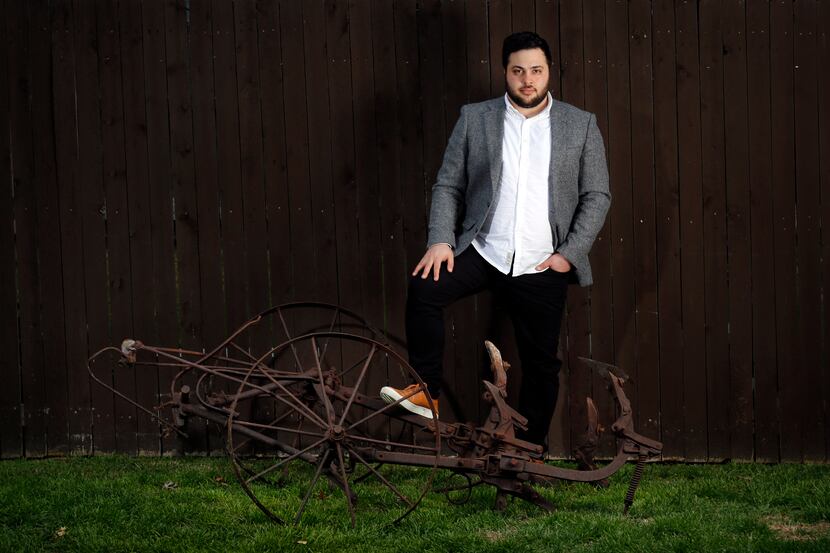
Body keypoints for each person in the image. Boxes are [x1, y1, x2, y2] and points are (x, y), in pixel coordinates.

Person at [380, 31, 611, 448]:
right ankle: (425, 392)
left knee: (541, 365)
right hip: (483, 250)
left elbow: (597, 194)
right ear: (505, 72)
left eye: (536, 71)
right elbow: (449, 184)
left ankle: (531, 454)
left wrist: (568, 255)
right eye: (518, 70)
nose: (527, 80)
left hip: (542, 261)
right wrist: (441, 240)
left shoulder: (581, 124)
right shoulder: (475, 118)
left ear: (548, 72)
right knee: (424, 288)